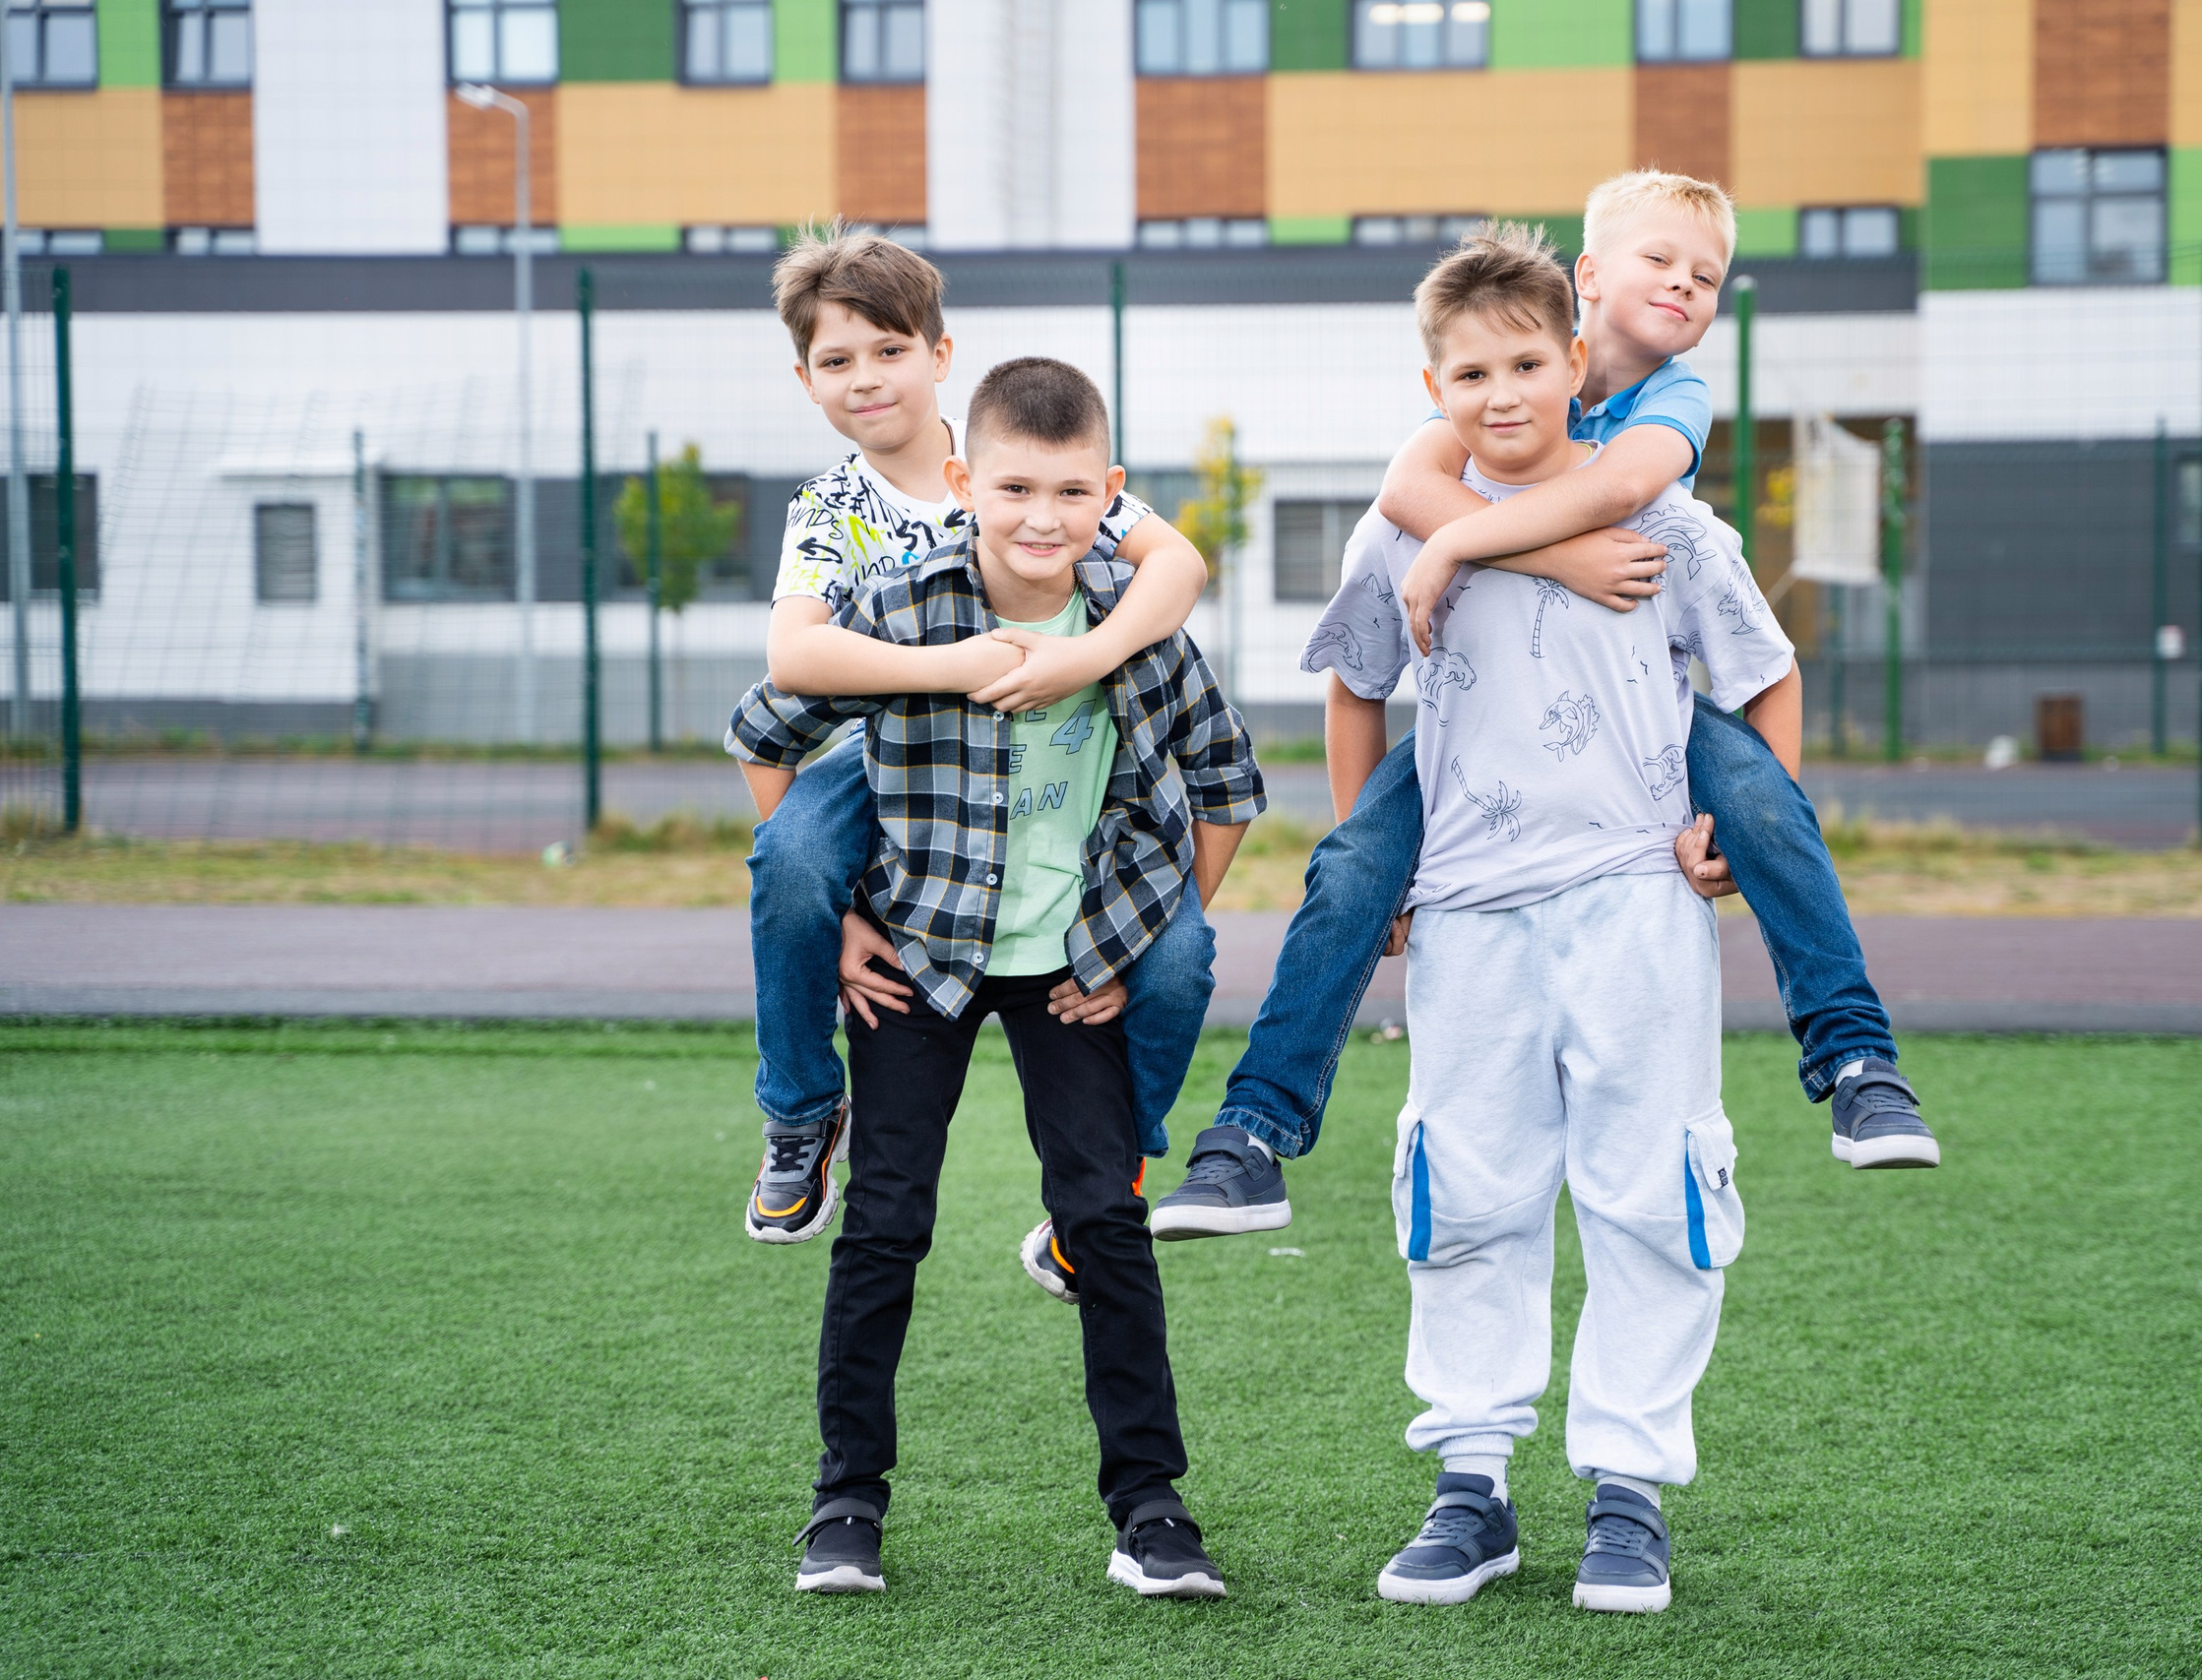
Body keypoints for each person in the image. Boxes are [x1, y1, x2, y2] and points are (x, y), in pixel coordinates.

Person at [1145, 169, 1935, 1250]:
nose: (1682, 285)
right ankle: (1252, 1134)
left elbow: (1618, 497)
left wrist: (1740, 836)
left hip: (1638, 720)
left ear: (1566, 360)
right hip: (1475, 739)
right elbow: (1404, 495)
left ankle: (1856, 1060)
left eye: (1705, 275)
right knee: (1349, 870)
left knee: (1762, 798)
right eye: (1659, 261)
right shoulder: (1488, 373)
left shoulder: (1673, 403)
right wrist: (1539, 556)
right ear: (1590, 278)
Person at [1313, 223, 1788, 1612]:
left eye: (1527, 363)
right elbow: (1353, 683)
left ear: (1578, 363)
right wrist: (1374, 865)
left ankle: (1629, 1491)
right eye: (1471, 373)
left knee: (1651, 1187)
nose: (1503, 391)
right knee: (1464, 1187)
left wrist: (1744, 835)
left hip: (1637, 897)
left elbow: (1763, 672)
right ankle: (1471, 1487)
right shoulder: (1400, 524)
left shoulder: (1669, 520)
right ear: (1434, 387)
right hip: (1466, 908)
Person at [776, 356, 1263, 1599]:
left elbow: (1226, 782)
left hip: (1068, 969)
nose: (1042, 518)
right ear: (962, 482)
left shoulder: (1133, 627)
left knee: (1104, 1219)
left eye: (1069, 492)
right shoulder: (897, 608)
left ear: (1110, 493)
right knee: (887, 1219)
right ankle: (845, 1504)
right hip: (919, 957)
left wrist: (1147, 933)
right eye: (1013, 489)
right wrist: (833, 916)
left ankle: (1151, 1510)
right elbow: (765, 730)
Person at [724, 225, 1224, 1251]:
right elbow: (794, 662)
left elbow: (1177, 565)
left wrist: (1082, 659)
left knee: (1177, 958)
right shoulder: (829, 509)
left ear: (939, 354)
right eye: (836, 361)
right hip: (898, 757)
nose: (867, 378)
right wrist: (952, 668)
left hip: (1057, 752)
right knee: (791, 858)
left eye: (889, 349)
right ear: (806, 382)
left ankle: (1118, 1160)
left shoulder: (1023, 460)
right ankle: (802, 1111)